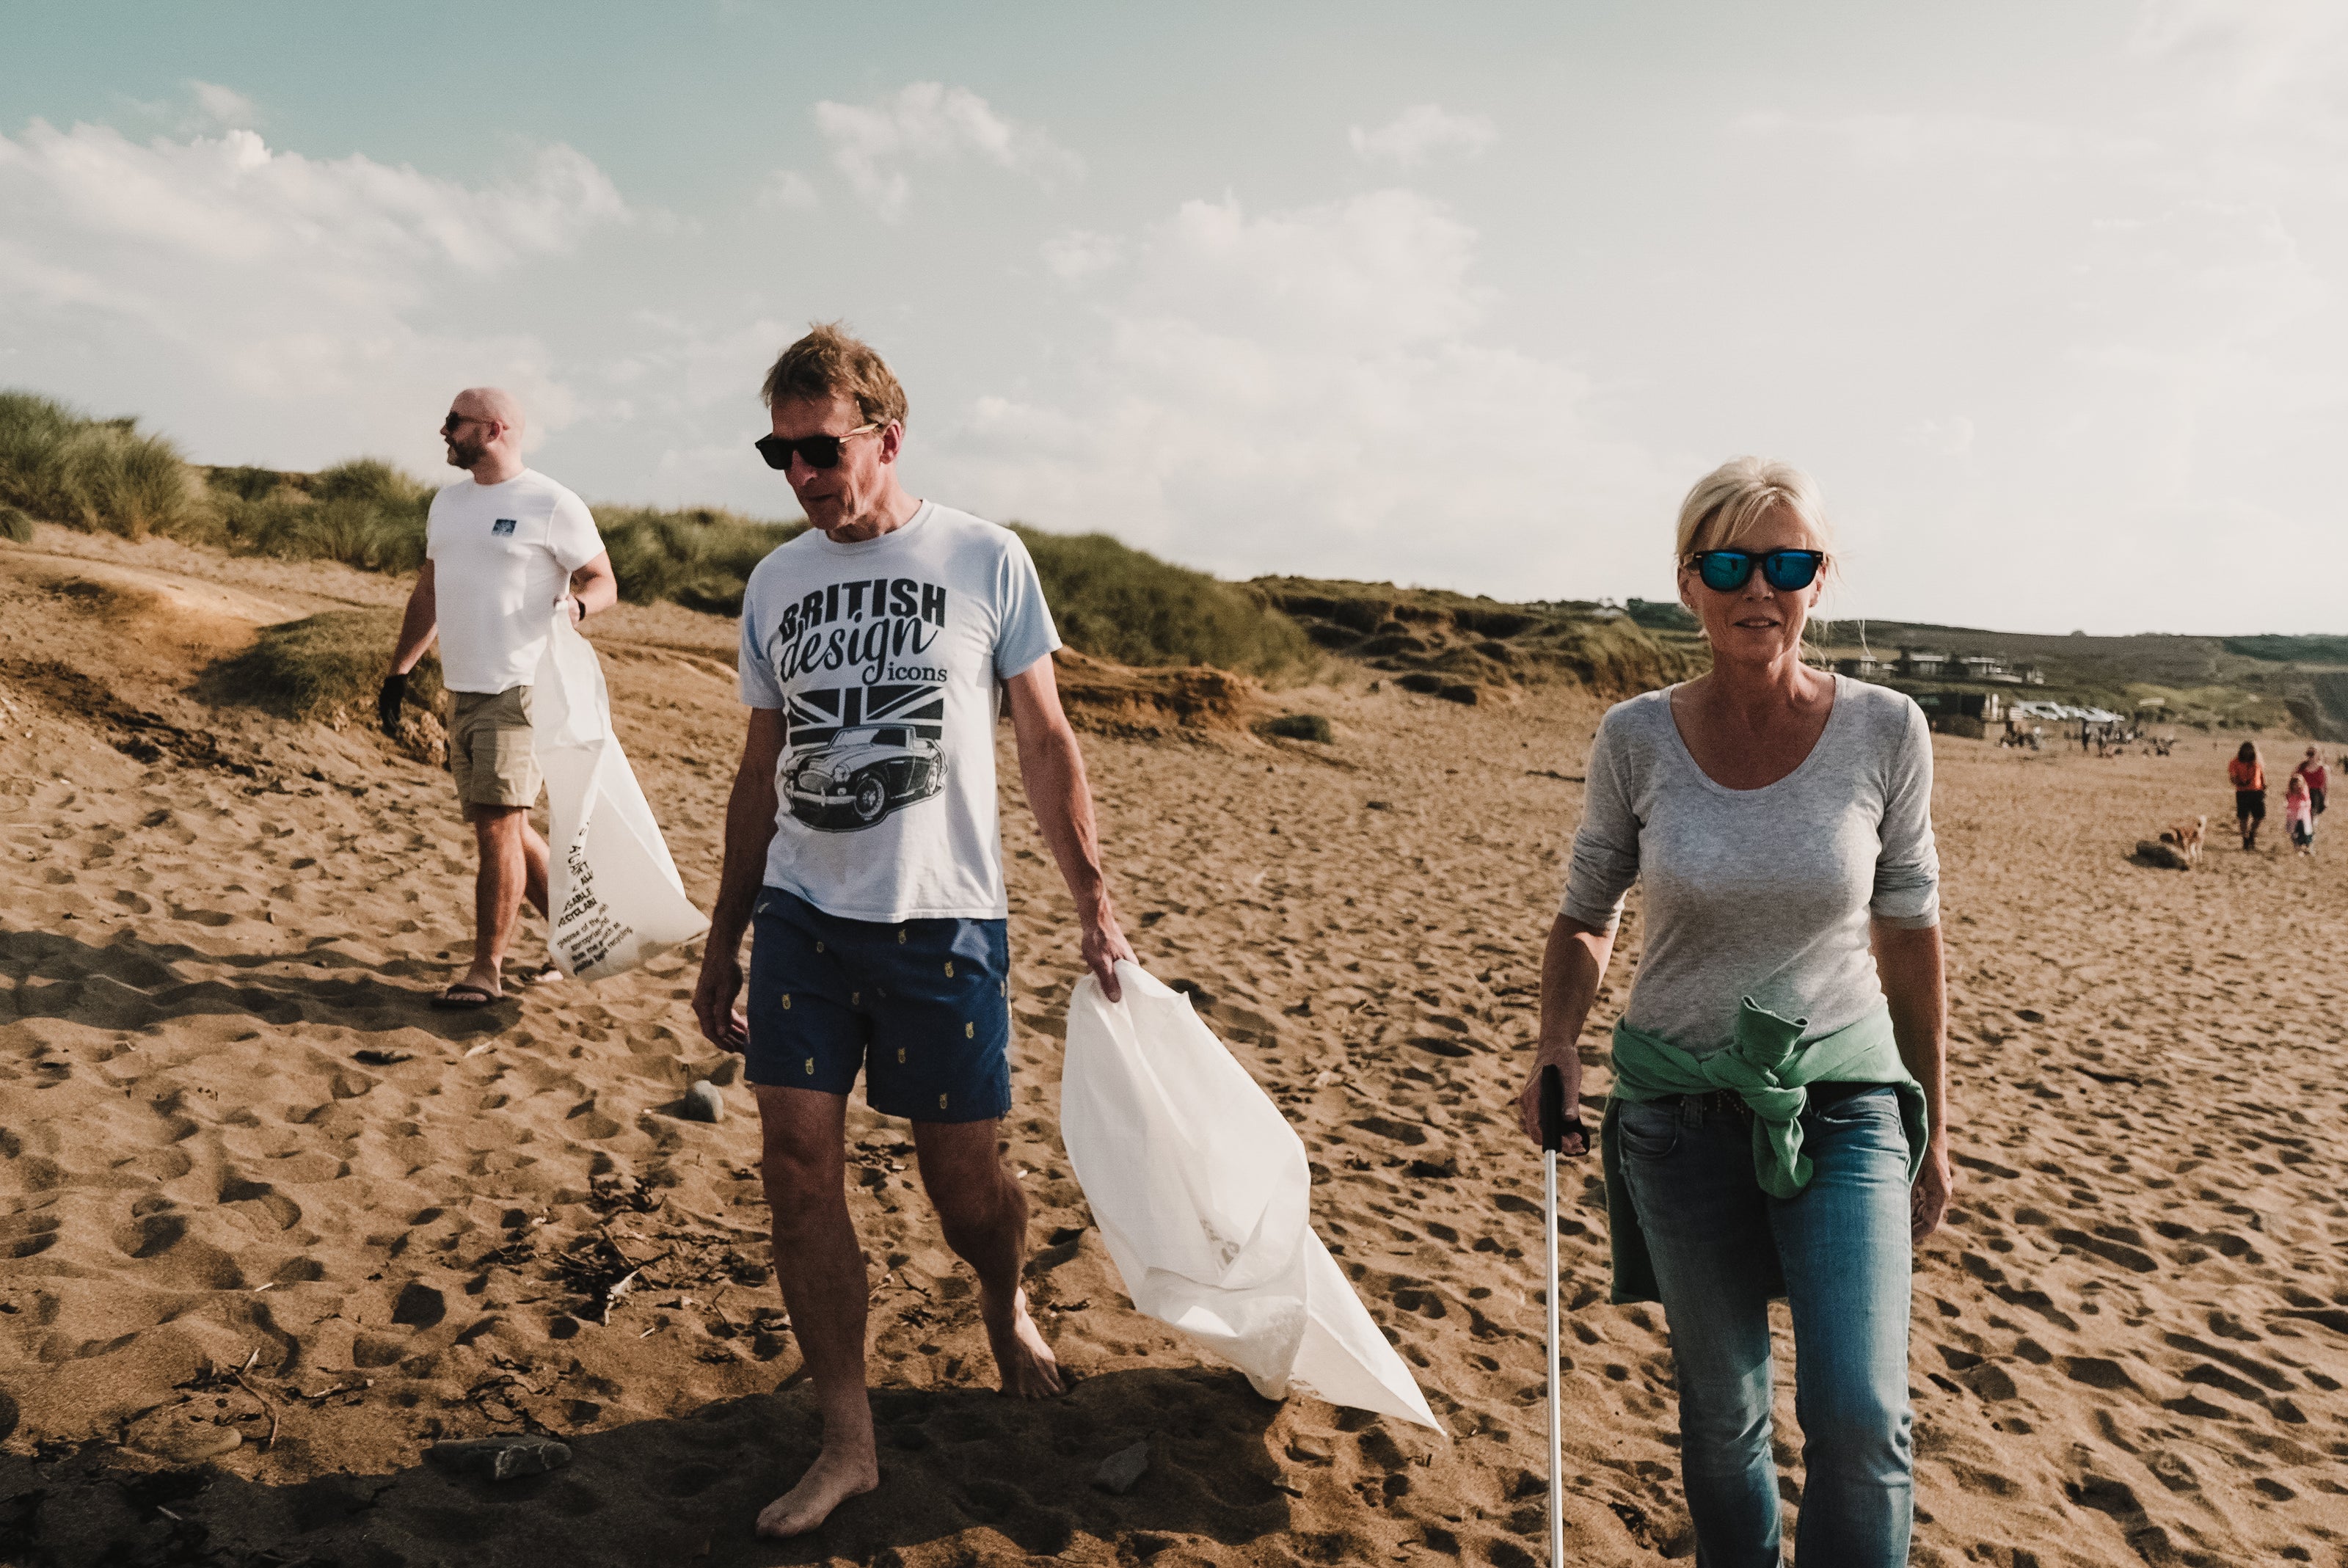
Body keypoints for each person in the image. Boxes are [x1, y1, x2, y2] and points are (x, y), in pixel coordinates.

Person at [692, 324, 1134, 1539]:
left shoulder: (984, 558)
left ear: (886, 434)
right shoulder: (776, 581)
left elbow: (1047, 741)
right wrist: (723, 934)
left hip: (944, 922)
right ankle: (849, 1439)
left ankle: (1005, 1300)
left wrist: (1093, 897)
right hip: (802, 917)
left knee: (966, 1186)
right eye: (778, 455)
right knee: (794, 1167)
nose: (800, 475)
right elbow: (758, 768)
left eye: (819, 449)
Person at [1513, 456, 1951, 1567]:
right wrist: (1556, 1042)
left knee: (1860, 1412)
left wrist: (1933, 1126)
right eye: (1732, 563)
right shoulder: (1635, 738)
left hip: (1846, 1099)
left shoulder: (1888, 729)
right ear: (1689, 584)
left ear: (1819, 582)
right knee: (1723, 1417)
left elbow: (1909, 935)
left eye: (1790, 562)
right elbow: (1585, 914)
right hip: (1673, 1106)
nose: (1762, 586)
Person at [382, 388, 617, 1007]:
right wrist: (400, 671)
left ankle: (485, 968)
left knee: (497, 825)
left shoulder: (551, 502)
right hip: (462, 689)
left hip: (520, 689)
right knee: (509, 826)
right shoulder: (448, 504)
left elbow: (604, 578)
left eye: (453, 422)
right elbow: (427, 594)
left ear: (493, 428)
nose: (442, 430)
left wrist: (579, 604)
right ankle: (578, 937)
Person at [2228, 742, 2266, 851]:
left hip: (2257, 791)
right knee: (2243, 817)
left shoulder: (2257, 761)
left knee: (2260, 816)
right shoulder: (2235, 762)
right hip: (2242, 792)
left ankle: (2252, 834)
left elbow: (2262, 773)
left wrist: (2264, 786)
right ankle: (2245, 839)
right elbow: (2232, 776)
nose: (2248, 753)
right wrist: (2238, 782)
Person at [2286, 773, 2316, 856]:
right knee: (2294, 834)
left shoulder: (2303, 794)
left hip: (2302, 817)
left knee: (2305, 833)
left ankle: (2307, 848)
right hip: (2293, 817)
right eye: (2294, 784)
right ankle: (2298, 848)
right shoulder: (2290, 794)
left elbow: (2307, 803)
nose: (2296, 786)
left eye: (2298, 784)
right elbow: (2289, 802)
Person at [2295, 745, 2327, 820]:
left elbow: (2325, 786)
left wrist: (2326, 799)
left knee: (2311, 817)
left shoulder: (2322, 769)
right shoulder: (2301, 767)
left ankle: (2309, 830)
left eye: (2313, 752)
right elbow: (2294, 780)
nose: (2311, 755)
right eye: (2310, 753)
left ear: (2318, 755)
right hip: (2302, 793)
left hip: (2315, 795)